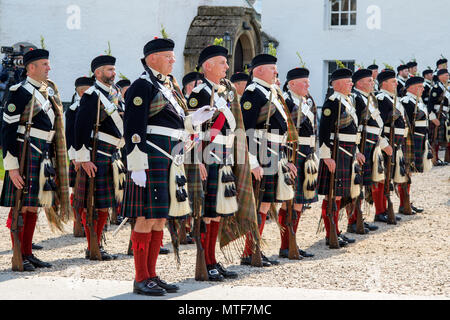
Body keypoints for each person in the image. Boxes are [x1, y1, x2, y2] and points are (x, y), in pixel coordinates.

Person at [121, 38, 208, 295]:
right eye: (168, 56)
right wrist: (136, 164)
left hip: (170, 156)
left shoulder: (169, 85)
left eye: (172, 56)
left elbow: (176, 120)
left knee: (160, 219)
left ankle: (152, 275)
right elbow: (133, 128)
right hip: (151, 156)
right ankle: (140, 278)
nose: (173, 60)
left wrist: (195, 119)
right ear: (152, 59)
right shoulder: (142, 85)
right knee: (146, 218)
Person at [0, 48, 70, 271]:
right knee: (21, 206)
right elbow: (7, 130)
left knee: (33, 206)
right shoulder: (18, 92)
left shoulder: (47, 91)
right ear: (31, 68)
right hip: (24, 151)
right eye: (45, 64)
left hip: (42, 150)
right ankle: (19, 254)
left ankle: (28, 253)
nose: (49, 68)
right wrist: (11, 167)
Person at [186, 45, 243, 281]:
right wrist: (196, 158)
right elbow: (192, 129)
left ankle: (212, 260)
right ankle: (205, 261)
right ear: (208, 65)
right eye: (222, 62)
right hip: (207, 153)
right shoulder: (199, 94)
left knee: (218, 211)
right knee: (207, 213)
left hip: (224, 152)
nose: (227, 67)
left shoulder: (222, 92)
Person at [239, 53, 298, 264]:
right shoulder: (253, 93)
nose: (276, 72)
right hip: (261, 153)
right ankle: (249, 252)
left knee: (265, 204)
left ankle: (255, 249)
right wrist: (252, 161)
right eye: (272, 68)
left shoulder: (271, 91)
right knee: (259, 204)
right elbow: (246, 130)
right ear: (258, 71)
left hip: (274, 151)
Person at [73, 55, 125, 261]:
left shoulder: (115, 93)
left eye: (114, 69)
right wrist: (84, 158)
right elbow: (80, 127)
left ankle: (97, 244)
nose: (113, 73)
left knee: (104, 204)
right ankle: (91, 244)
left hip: (113, 152)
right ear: (98, 73)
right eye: (109, 70)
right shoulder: (91, 96)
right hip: (97, 153)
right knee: (92, 203)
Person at [317, 68, 364, 248]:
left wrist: (357, 149)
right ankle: (331, 234)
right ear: (337, 84)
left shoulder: (348, 101)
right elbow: (324, 131)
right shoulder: (332, 102)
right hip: (337, 151)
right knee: (332, 195)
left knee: (339, 195)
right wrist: (326, 156)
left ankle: (336, 231)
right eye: (348, 81)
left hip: (348, 151)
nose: (351, 84)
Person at [279, 67, 316, 258]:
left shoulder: (306, 102)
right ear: (292, 84)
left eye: (308, 82)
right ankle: (285, 245)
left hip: (306, 154)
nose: (308, 85)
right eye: (304, 82)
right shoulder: (286, 101)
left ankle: (292, 242)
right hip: (293, 154)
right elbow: (283, 133)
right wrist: (285, 159)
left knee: (299, 203)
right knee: (288, 203)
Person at [349, 69, 390, 232]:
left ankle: (360, 218)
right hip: (363, 143)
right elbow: (355, 127)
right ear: (359, 83)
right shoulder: (356, 98)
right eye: (369, 81)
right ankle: (354, 219)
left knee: (366, 182)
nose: (373, 83)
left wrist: (381, 141)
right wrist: (356, 149)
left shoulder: (370, 98)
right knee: (357, 183)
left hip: (373, 143)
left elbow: (377, 124)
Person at [376, 69, 410, 222]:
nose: (397, 83)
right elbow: (380, 125)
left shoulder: (393, 98)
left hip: (397, 142)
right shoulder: (382, 99)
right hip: (388, 143)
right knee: (382, 177)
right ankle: (380, 210)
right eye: (393, 81)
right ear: (384, 83)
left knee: (388, 176)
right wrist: (384, 143)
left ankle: (384, 209)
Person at [64, 76, 94, 237]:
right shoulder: (74, 109)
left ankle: (86, 222)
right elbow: (70, 134)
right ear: (82, 91)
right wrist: (74, 157)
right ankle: (78, 222)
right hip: (78, 154)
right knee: (78, 191)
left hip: (91, 152)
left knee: (89, 192)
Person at [427, 68, 450, 164]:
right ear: (440, 76)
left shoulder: (447, 87)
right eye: (446, 75)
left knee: (447, 137)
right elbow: (430, 104)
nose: (448, 77)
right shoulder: (436, 88)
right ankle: (434, 159)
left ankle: (447, 158)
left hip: (446, 114)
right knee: (435, 139)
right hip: (438, 114)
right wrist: (433, 118)